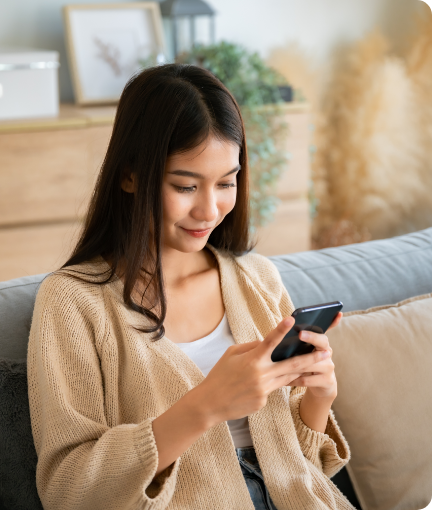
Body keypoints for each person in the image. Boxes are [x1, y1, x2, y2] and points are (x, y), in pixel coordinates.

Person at [27, 64, 355, 510]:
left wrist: (319, 397)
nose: (209, 209)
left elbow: (308, 468)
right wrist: (204, 406)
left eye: (226, 182)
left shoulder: (258, 280)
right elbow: (69, 488)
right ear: (130, 176)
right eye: (185, 185)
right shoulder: (72, 302)